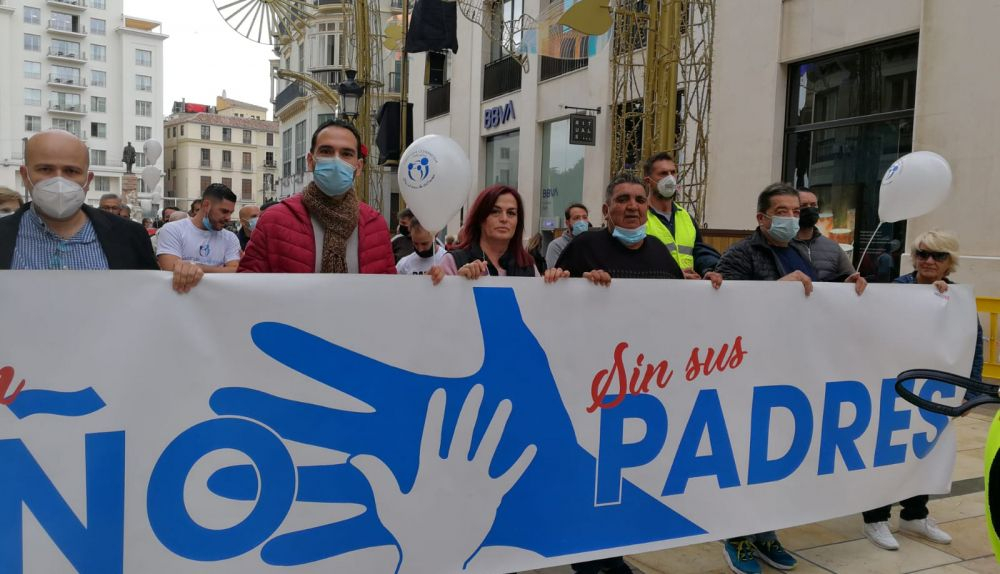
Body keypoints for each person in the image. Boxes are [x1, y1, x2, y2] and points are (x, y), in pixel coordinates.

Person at [714, 182, 865, 574]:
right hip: (748, 374)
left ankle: (765, 531)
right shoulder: (740, 254)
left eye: (795, 212)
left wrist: (845, 289)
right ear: (761, 218)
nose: (791, 218)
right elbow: (723, 309)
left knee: (775, 458)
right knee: (744, 458)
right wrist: (774, 292)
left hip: (788, 373)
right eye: (781, 212)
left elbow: (812, 303)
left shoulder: (799, 253)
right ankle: (736, 535)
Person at [861, 230, 983, 551]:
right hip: (893, 388)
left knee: (926, 451)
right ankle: (876, 517)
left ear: (949, 262)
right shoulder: (895, 291)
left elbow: (973, 344)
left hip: (935, 390)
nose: (928, 261)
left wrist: (971, 392)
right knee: (887, 453)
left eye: (938, 255)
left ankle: (915, 515)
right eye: (922, 254)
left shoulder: (959, 298)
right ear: (913, 258)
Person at [238, 118, 395, 274]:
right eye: (326, 151)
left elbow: (388, 285)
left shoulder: (375, 225)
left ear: (358, 167)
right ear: (310, 161)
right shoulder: (274, 221)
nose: (336, 161)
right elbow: (249, 282)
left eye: (346, 154)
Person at [0, 130, 157, 272]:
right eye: (45, 169)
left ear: (88, 181)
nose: (59, 181)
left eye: (71, 171)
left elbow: (148, 291)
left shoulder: (130, 236)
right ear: (25, 176)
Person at [428, 185, 536, 282]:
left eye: (511, 213)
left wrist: (547, 284)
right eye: (495, 211)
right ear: (480, 218)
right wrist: (458, 283)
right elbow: (434, 296)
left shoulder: (528, 266)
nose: (504, 219)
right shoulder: (453, 261)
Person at [641, 152, 720, 278]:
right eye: (663, 173)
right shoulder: (639, 216)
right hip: (654, 287)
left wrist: (707, 270)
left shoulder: (685, 217)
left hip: (687, 288)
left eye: (673, 172)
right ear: (648, 181)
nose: (670, 178)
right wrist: (676, 274)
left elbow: (697, 252)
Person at [156, 184, 241, 286]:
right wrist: (221, 269)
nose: (229, 218)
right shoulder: (173, 230)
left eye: (231, 213)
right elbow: (171, 271)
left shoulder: (230, 237)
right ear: (206, 205)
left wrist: (196, 267)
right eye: (224, 211)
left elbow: (235, 271)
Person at [791, 189, 856, 281]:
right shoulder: (783, 244)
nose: (810, 209)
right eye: (803, 205)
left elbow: (851, 278)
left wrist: (854, 281)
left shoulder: (833, 247)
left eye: (813, 205)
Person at [545, 202, 590, 269]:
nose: (582, 221)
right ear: (567, 223)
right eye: (576, 218)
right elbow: (555, 272)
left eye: (585, 217)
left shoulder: (592, 244)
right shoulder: (556, 246)